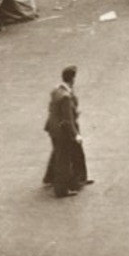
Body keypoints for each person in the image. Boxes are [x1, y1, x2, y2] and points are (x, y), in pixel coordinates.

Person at [43, 65, 90, 197]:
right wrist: (75, 135)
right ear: (72, 79)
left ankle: (51, 177)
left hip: (53, 127)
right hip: (62, 130)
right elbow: (67, 119)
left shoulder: (57, 90)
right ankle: (62, 189)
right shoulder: (65, 97)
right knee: (63, 158)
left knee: (59, 153)